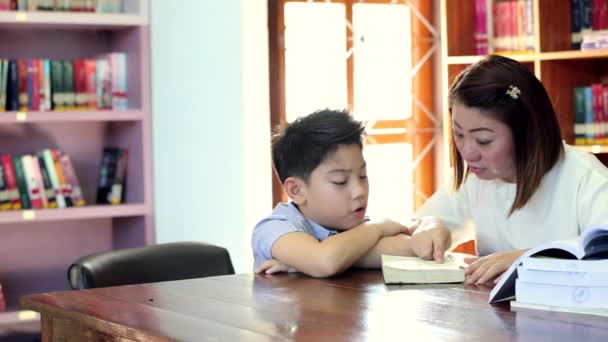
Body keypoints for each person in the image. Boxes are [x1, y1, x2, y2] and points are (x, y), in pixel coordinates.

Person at [413, 54, 608, 285]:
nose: (467, 152)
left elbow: (602, 253)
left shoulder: (586, 178)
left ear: (528, 132)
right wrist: (431, 224)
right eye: (458, 134)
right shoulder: (477, 178)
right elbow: (422, 224)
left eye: (483, 140)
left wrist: (528, 259)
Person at [252, 109, 451, 277]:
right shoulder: (274, 227)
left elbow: (415, 247)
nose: (359, 191)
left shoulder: (349, 224)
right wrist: (378, 227)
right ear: (296, 190)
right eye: (340, 181)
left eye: (363, 176)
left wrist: (433, 225)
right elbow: (324, 261)